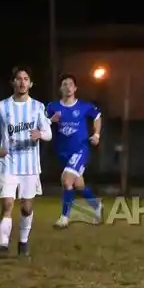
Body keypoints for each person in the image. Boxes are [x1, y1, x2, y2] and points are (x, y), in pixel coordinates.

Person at [0, 66, 52, 258]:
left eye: (26, 79)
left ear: (31, 83)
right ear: (12, 82)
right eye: (19, 78)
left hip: (30, 166)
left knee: (26, 208)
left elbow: (48, 133)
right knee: (7, 204)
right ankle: (3, 246)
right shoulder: (1, 107)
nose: (22, 82)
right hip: (9, 164)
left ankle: (23, 242)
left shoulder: (37, 107)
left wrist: (40, 134)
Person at [47, 74, 103, 227]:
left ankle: (64, 218)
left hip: (80, 150)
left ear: (75, 88)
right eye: (65, 84)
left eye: (71, 84)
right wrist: (50, 121)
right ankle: (96, 205)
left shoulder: (84, 106)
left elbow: (97, 116)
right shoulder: (52, 107)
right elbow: (41, 123)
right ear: (60, 88)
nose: (68, 87)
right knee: (78, 184)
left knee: (66, 180)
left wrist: (96, 134)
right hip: (62, 152)